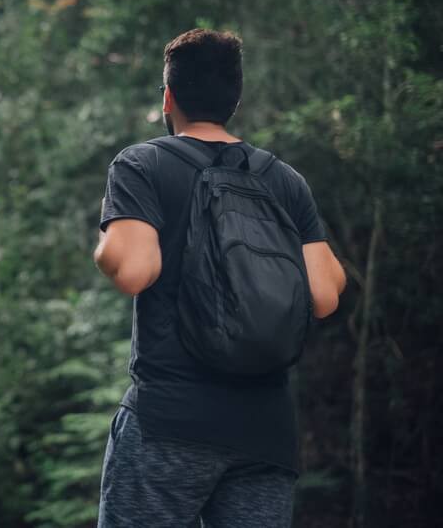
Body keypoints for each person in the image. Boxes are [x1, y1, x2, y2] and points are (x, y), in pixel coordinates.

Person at [92, 28, 346, 527]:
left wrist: (105, 244)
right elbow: (325, 295)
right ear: (236, 99)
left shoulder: (143, 164)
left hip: (171, 422)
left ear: (168, 97)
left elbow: (133, 271)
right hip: (265, 433)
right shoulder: (282, 179)